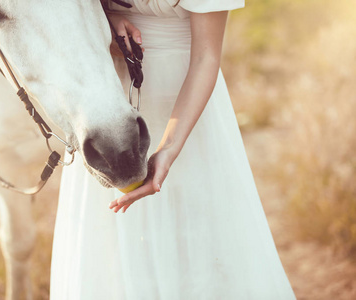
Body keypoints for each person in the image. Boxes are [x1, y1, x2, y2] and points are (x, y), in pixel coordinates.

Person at [50, 0, 296, 299]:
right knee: (111, 248)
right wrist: (107, 24)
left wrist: (168, 148)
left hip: (186, 106)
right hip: (107, 105)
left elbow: (206, 58)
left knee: (197, 237)